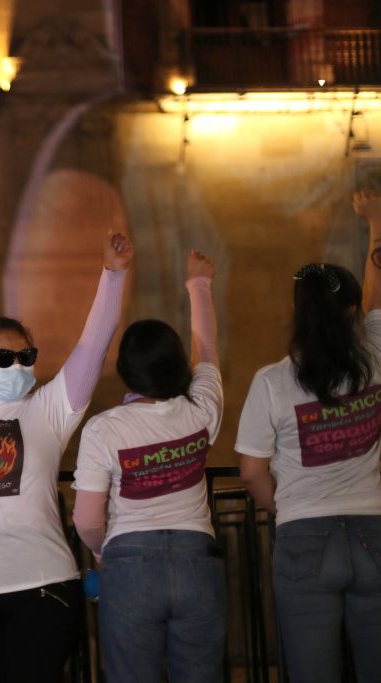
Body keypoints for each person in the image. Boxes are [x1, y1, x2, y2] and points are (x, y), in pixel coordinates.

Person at [0, 231, 132, 683]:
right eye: (3, 357)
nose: (18, 365)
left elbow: (93, 347)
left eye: (26, 356)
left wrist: (113, 275)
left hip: (43, 584)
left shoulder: (48, 408)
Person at [237, 191, 381, 683]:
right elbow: (377, 288)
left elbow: (252, 471)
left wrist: (287, 507)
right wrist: (376, 223)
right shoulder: (375, 358)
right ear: (354, 313)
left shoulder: (271, 381)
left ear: (297, 311)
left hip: (303, 535)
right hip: (374, 529)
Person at [72, 250, 225, 682]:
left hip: (130, 564)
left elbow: (86, 518)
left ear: (124, 371)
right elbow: (208, 351)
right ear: (176, 363)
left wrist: (103, 551)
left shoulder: (104, 430)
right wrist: (199, 284)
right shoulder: (202, 410)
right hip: (198, 560)